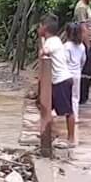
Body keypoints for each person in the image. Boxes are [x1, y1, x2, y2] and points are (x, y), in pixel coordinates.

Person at [36, 15, 76, 149]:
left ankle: (71, 139)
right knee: (44, 106)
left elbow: (44, 52)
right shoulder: (53, 40)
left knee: (67, 110)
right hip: (56, 81)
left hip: (62, 81)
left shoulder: (52, 41)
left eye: (40, 26)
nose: (38, 29)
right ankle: (51, 133)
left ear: (45, 28)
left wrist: (42, 46)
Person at [72, 0, 91, 107]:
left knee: (88, 69)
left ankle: (83, 96)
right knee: (86, 70)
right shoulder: (81, 7)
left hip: (89, 40)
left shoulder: (87, 6)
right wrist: (87, 45)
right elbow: (83, 27)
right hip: (85, 42)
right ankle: (82, 97)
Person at [63, 21, 87, 143]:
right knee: (75, 97)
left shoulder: (66, 46)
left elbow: (64, 60)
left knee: (67, 96)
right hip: (77, 73)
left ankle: (68, 115)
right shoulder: (82, 46)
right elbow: (83, 60)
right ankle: (75, 116)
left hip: (67, 74)